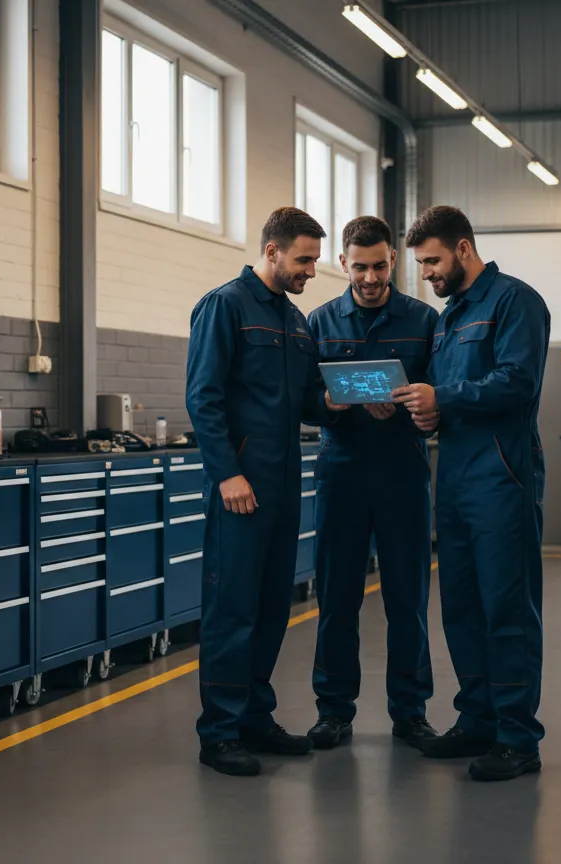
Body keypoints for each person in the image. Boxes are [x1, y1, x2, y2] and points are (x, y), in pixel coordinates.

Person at [185, 206, 348, 777]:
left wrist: (344, 400)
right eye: (303, 259)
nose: (310, 271)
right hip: (240, 486)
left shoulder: (295, 321)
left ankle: (255, 717)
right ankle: (219, 732)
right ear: (272, 251)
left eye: (315, 261)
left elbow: (307, 403)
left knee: (273, 606)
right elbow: (203, 397)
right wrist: (226, 473)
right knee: (232, 608)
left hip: (282, 486)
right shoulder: (225, 306)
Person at [392, 205, 551, 782]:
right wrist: (426, 413)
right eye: (421, 264)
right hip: (455, 477)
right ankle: (477, 719)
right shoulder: (450, 317)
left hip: (502, 475)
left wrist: (444, 398)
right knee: (460, 605)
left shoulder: (515, 301)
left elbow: (517, 381)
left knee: (506, 606)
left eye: (433, 261)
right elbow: (445, 395)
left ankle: (517, 738)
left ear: (463, 248)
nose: (427, 274)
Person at [303, 216, 440, 750]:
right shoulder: (319, 322)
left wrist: (409, 407)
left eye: (380, 266)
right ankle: (333, 711)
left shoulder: (424, 321)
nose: (370, 278)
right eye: (359, 267)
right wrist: (331, 403)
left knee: (408, 598)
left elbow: (440, 397)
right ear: (343, 263)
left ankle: (410, 713)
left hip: (403, 474)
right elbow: (304, 400)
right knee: (338, 598)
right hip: (341, 474)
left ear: (393, 261)